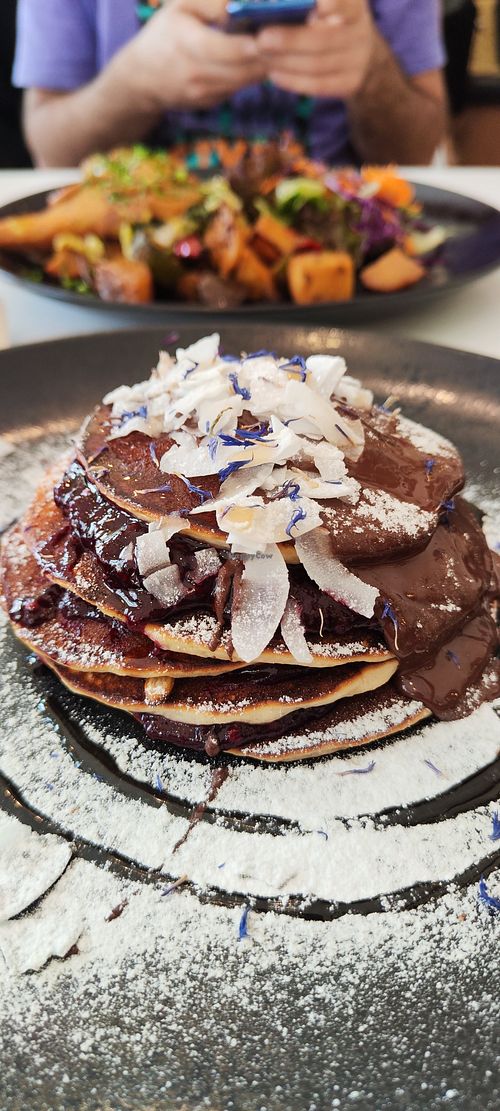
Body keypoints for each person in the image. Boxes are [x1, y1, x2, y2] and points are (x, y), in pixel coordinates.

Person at [14, 0, 447, 167]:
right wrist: (134, 85)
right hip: (121, 277)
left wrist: (371, 72)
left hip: (350, 280)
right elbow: (52, 149)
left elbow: (416, 150)